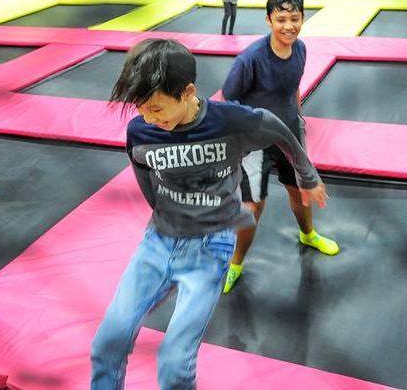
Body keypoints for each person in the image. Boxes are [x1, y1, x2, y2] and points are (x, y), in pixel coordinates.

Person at [90, 38, 327, 389]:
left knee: (174, 364)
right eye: (141, 108)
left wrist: (307, 176)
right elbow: (141, 165)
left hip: (209, 245)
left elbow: (280, 128)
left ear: (187, 92)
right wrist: (161, 211)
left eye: (157, 108)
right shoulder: (141, 129)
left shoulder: (230, 122)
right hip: (159, 241)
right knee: (106, 343)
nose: (148, 118)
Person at [221, 0, 339, 294]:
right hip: (255, 141)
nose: (289, 26)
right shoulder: (251, 59)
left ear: (303, 18)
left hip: (290, 134)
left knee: (301, 191)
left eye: (295, 18)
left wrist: (297, 120)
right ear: (269, 20)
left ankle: (308, 235)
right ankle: (234, 265)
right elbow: (228, 99)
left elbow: (293, 89)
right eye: (281, 19)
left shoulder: (300, 50)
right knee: (253, 205)